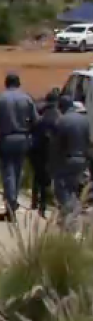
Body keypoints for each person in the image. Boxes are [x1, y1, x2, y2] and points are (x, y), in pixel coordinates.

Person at [0, 73, 39, 216]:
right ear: (19, 83)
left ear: (6, 83)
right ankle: (13, 199)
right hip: (23, 138)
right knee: (18, 171)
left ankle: (11, 201)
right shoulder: (26, 98)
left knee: (7, 171)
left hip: (6, 137)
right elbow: (36, 120)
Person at [52, 94, 90, 232]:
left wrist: (53, 165)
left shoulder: (62, 121)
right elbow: (88, 142)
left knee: (62, 191)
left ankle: (69, 220)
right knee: (75, 190)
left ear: (61, 107)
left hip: (67, 160)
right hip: (81, 161)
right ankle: (71, 220)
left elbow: (57, 146)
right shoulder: (84, 120)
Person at [29, 89, 61, 218]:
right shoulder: (58, 117)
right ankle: (42, 205)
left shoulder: (40, 115)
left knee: (38, 176)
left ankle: (35, 202)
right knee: (46, 179)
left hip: (37, 150)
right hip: (49, 152)